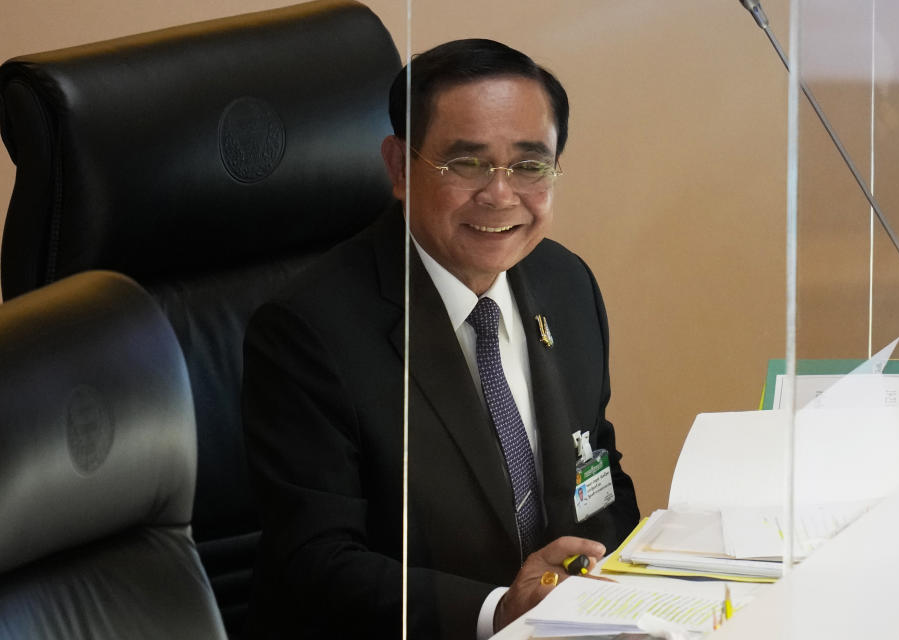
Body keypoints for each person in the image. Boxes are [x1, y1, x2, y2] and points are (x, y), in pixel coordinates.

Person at [242, 38, 640, 639]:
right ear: (400, 168)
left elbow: (595, 473)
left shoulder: (566, 283)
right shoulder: (308, 332)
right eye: (468, 163)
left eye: (529, 165)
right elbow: (313, 564)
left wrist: (646, 581)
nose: (501, 195)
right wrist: (496, 611)